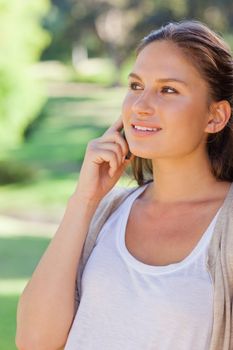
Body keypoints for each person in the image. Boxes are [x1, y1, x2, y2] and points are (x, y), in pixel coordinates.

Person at [16, 19, 233, 350]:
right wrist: (84, 201)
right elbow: (35, 342)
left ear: (215, 117)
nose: (141, 106)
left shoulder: (225, 224)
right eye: (135, 86)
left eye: (168, 90)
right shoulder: (107, 212)